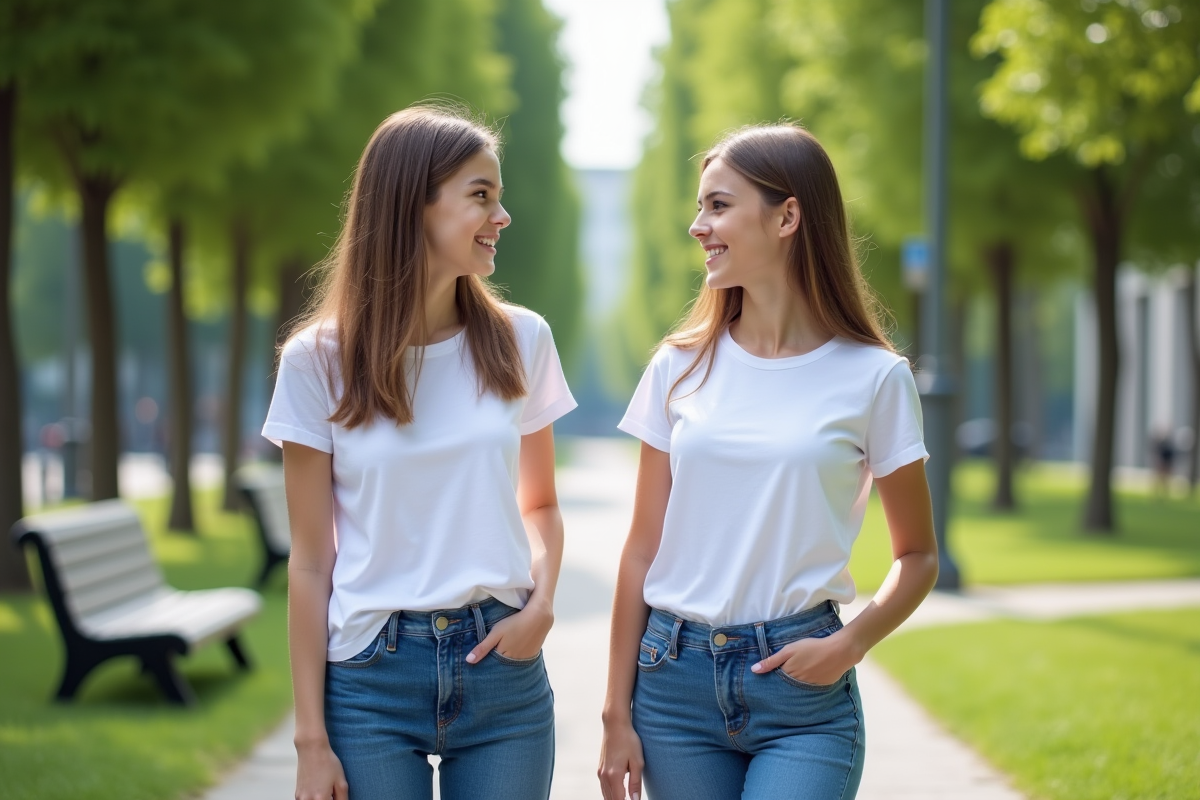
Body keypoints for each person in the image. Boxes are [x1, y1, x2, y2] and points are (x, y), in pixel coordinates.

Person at [598, 123, 939, 800]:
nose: (698, 226)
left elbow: (919, 556)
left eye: (718, 206)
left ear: (787, 215)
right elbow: (641, 549)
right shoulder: (678, 366)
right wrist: (615, 714)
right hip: (673, 686)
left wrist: (851, 644)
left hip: (802, 696)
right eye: (699, 207)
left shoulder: (874, 378)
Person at [263, 104, 576, 800]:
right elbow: (312, 561)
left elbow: (542, 504)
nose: (503, 216)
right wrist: (311, 742)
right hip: (370, 682)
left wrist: (543, 604)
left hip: (503, 670)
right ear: (414, 205)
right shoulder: (316, 362)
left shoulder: (523, 340)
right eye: (481, 196)